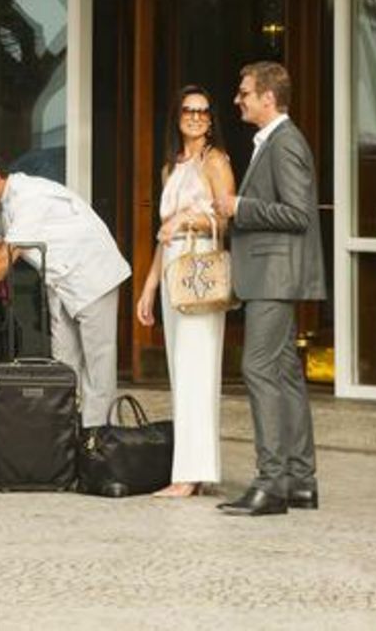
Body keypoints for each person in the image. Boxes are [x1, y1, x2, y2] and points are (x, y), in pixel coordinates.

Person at [0, 149, 131, 427]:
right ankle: (66, 438)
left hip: (93, 274)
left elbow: (3, 260)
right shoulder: (1, 203)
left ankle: (102, 440)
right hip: (61, 280)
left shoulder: (29, 198)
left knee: (97, 368)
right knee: (64, 364)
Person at [213, 61, 326, 516]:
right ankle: (300, 481)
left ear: (267, 98)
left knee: (257, 368)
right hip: (273, 275)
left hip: (275, 277)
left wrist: (241, 206)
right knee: (284, 374)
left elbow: (298, 214)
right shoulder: (275, 142)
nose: (238, 99)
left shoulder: (285, 143)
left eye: (244, 93)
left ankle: (271, 482)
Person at [132, 85, 235, 498]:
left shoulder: (215, 160)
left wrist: (187, 222)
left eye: (204, 112)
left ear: (211, 120)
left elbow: (225, 220)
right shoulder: (170, 166)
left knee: (198, 371)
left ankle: (189, 475)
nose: (196, 117)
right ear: (177, 117)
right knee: (181, 372)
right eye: (189, 111)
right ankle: (191, 469)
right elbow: (162, 235)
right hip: (172, 271)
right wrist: (147, 286)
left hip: (200, 270)